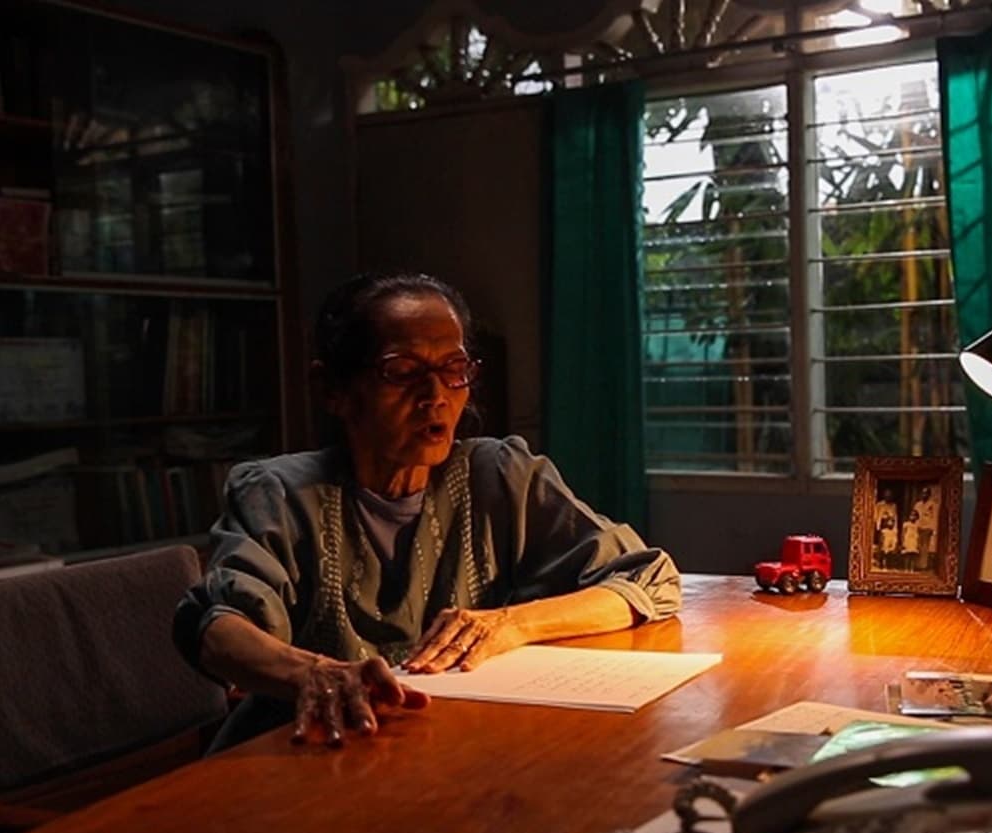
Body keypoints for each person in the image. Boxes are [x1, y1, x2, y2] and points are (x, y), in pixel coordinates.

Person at [173, 272, 682, 751]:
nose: (435, 396)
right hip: (301, 751)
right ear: (334, 390)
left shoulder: (499, 475)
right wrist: (312, 674)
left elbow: (647, 580)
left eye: (453, 370)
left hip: (441, 747)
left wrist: (509, 624)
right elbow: (216, 627)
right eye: (402, 372)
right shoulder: (278, 493)